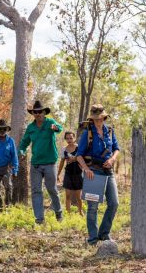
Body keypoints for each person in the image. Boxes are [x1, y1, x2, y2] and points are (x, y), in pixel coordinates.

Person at [76, 104, 120, 245]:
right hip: (93, 172)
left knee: (114, 203)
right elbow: (79, 155)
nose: (98, 120)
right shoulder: (87, 133)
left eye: (100, 118)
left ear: (104, 117)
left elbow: (117, 149)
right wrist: (86, 169)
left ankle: (104, 233)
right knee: (93, 207)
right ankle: (93, 238)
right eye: (95, 118)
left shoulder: (110, 131)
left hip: (108, 171)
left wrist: (112, 159)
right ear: (92, 119)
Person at [19, 100, 64, 224]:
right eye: (35, 112)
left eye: (40, 112)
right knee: (36, 191)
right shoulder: (31, 127)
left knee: (52, 189)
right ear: (33, 113)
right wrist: (22, 151)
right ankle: (39, 218)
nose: (37, 114)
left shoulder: (50, 122)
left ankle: (59, 213)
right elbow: (24, 142)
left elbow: (60, 128)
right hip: (36, 164)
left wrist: (55, 128)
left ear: (44, 113)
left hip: (50, 162)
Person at [57, 131, 84, 215]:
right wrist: (58, 174)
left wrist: (76, 160)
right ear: (65, 139)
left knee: (78, 196)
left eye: (71, 138)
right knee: (67, 195)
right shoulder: (64, 149)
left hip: (78, 174)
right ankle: (68, 213)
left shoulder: (79, 148)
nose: (69, 140)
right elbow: (61, 162)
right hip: (68, 174)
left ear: (74, 138)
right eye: (67, 138)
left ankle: (80, 212)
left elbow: (84, 159)